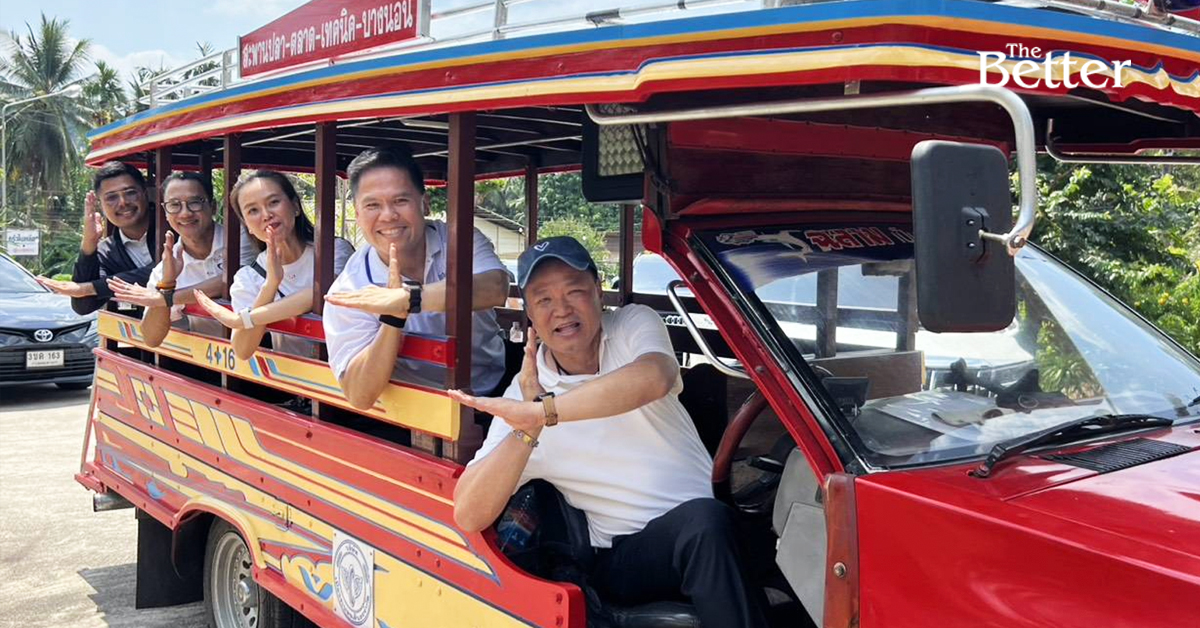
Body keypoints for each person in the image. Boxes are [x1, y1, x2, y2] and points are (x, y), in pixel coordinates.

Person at [450, 237, 767, 628]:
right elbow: (468, 512)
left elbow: (655, 376)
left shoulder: (631, 324)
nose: (561, 309)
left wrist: (545, 411)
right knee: (706, 526)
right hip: (627, 556)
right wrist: (527, 429)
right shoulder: (523, 396)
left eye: (574, 291)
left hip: (714, 525)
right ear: (529, 312)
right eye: (544, 299)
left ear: (598, 291)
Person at [322, 147, 510, 410]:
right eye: (372, 205)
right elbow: (359, 394)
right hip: (417, 411)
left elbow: (496, 288)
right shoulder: (350, 288)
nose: (388, 215)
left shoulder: (457, 239)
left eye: (400, 200)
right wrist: (392, 318)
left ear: (425, 203)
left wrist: (408, 298)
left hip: (497, 389)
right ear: (358, 213)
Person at [193, 171, 354, 360]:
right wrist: (270, 285)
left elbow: (327, 292)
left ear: (295, 206)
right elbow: (242, 350)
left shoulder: (334, 251)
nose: (266, 215)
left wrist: (245, 319)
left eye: (274, 202)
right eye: (253, 211)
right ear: (248, 226)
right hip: (291, 374)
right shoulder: (249, 277)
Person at [107, 172, 256, 348]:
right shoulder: (165, 268)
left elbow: (233, 279)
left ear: (213, 207)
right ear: (166, 212)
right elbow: (151, 338)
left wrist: (166, 298)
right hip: (205, 358)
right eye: (174, 205)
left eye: (194, 202)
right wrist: (167, 283)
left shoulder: (240, 239)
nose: (185, 213)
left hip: (261, 352)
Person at [37, 162, 154, 314]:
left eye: (130, 193)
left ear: (145, 193)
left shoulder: (172, 228)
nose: (123, 202)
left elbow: (166, 271)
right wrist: (88, 244)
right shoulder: (107, 251)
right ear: (101, 206)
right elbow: (83, 306)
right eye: (111, 197)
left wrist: (90, 288)